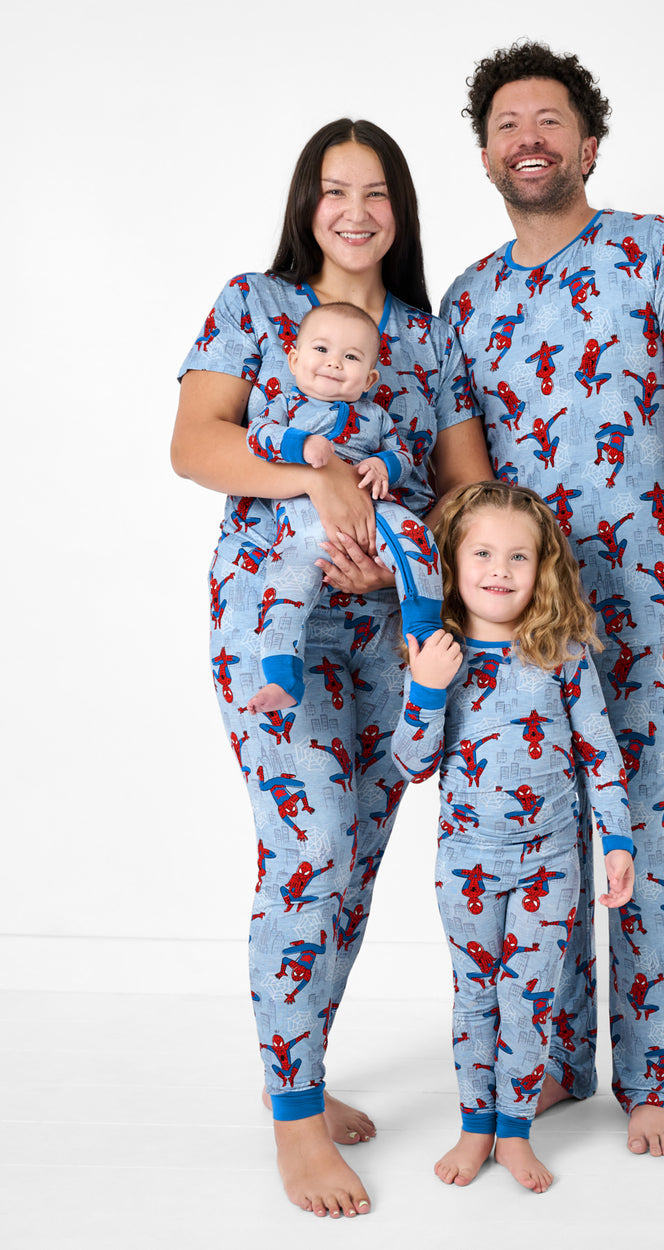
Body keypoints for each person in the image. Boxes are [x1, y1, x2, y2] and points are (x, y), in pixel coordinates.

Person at [171, 119, 493, 1219]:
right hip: (271, 614)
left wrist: (405, 551)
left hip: (383, 626)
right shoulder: (253, 305)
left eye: (376, 192)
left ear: (400, 208)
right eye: (332, 189)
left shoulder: (430, 333)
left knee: (351, 855)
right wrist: (312, 484)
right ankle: (295, 1118)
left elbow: (463, 489)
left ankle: (299, 1063)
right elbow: (195, 444)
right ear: (306, 201)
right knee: (306, 844)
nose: (354, 210)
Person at [442, 42, 664, 1158]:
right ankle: (548, 1062)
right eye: (508, 122)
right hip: (521, 628)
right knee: (538, 832)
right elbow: (466, 488)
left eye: (550, 119)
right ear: (485, 154)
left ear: (588, 142)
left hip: (652, 603)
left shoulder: (661, 257)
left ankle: (655, 1075)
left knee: (641, 827)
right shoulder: (465, 302)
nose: (530, 136)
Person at [391, 481, 636, 1193]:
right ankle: (476, 1128)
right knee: (476, 996)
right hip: (466, 862)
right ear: (452, 562)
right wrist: (427, 688)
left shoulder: (559, 653)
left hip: (550, 863)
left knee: (528, 997)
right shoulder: (435, 652)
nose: (500, 569)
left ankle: (517, 1130)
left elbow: (600, 751)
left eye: (519, 556)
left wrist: (616, 839)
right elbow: (412, 764)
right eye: (484, 553)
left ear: (543, 569)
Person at [243, 300, 442, 714]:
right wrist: (300, 445)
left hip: (372, 511)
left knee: (416, 538)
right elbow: (257, 436)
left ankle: (423, 624)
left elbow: (403, 456)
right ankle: (281, 675)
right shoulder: (286, 406)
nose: (334, 363)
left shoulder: (376, 416)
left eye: (350, 357)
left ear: (368, 377)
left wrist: (383, 464)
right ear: (294, 361)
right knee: (286, 588)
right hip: (302, 521)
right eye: (321, 350)